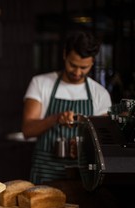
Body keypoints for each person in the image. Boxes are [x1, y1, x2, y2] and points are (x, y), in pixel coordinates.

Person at [22, 30, 112, 184]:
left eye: (84, 68)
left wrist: (84, 147)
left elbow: (104, 141)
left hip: (83, 175)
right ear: (64, 55)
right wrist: (56, 118)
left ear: (92, 62)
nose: (77, 72)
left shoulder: (100, 94)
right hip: (45, 171)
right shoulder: (41, 83)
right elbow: (28, 130)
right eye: (73, 65)